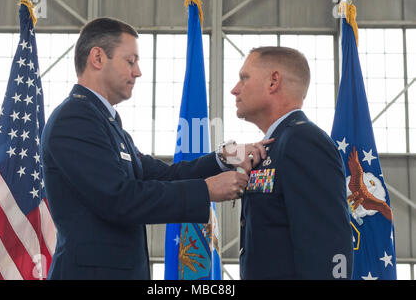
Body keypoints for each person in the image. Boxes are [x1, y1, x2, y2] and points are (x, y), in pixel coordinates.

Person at [40, 17, 270, 280]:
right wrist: (207, 190)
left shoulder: (108, 124)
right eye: (130, 61)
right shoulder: (75, 120)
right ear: (97, 58)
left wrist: (223, 158)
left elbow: (163, 175)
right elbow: (119, 199)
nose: (138, 72)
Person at [231, 46, 353, 280]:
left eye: (244, 78)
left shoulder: (303, 141)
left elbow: (327, 246)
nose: (234, 90)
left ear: (273, 81)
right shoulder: (275, 146)